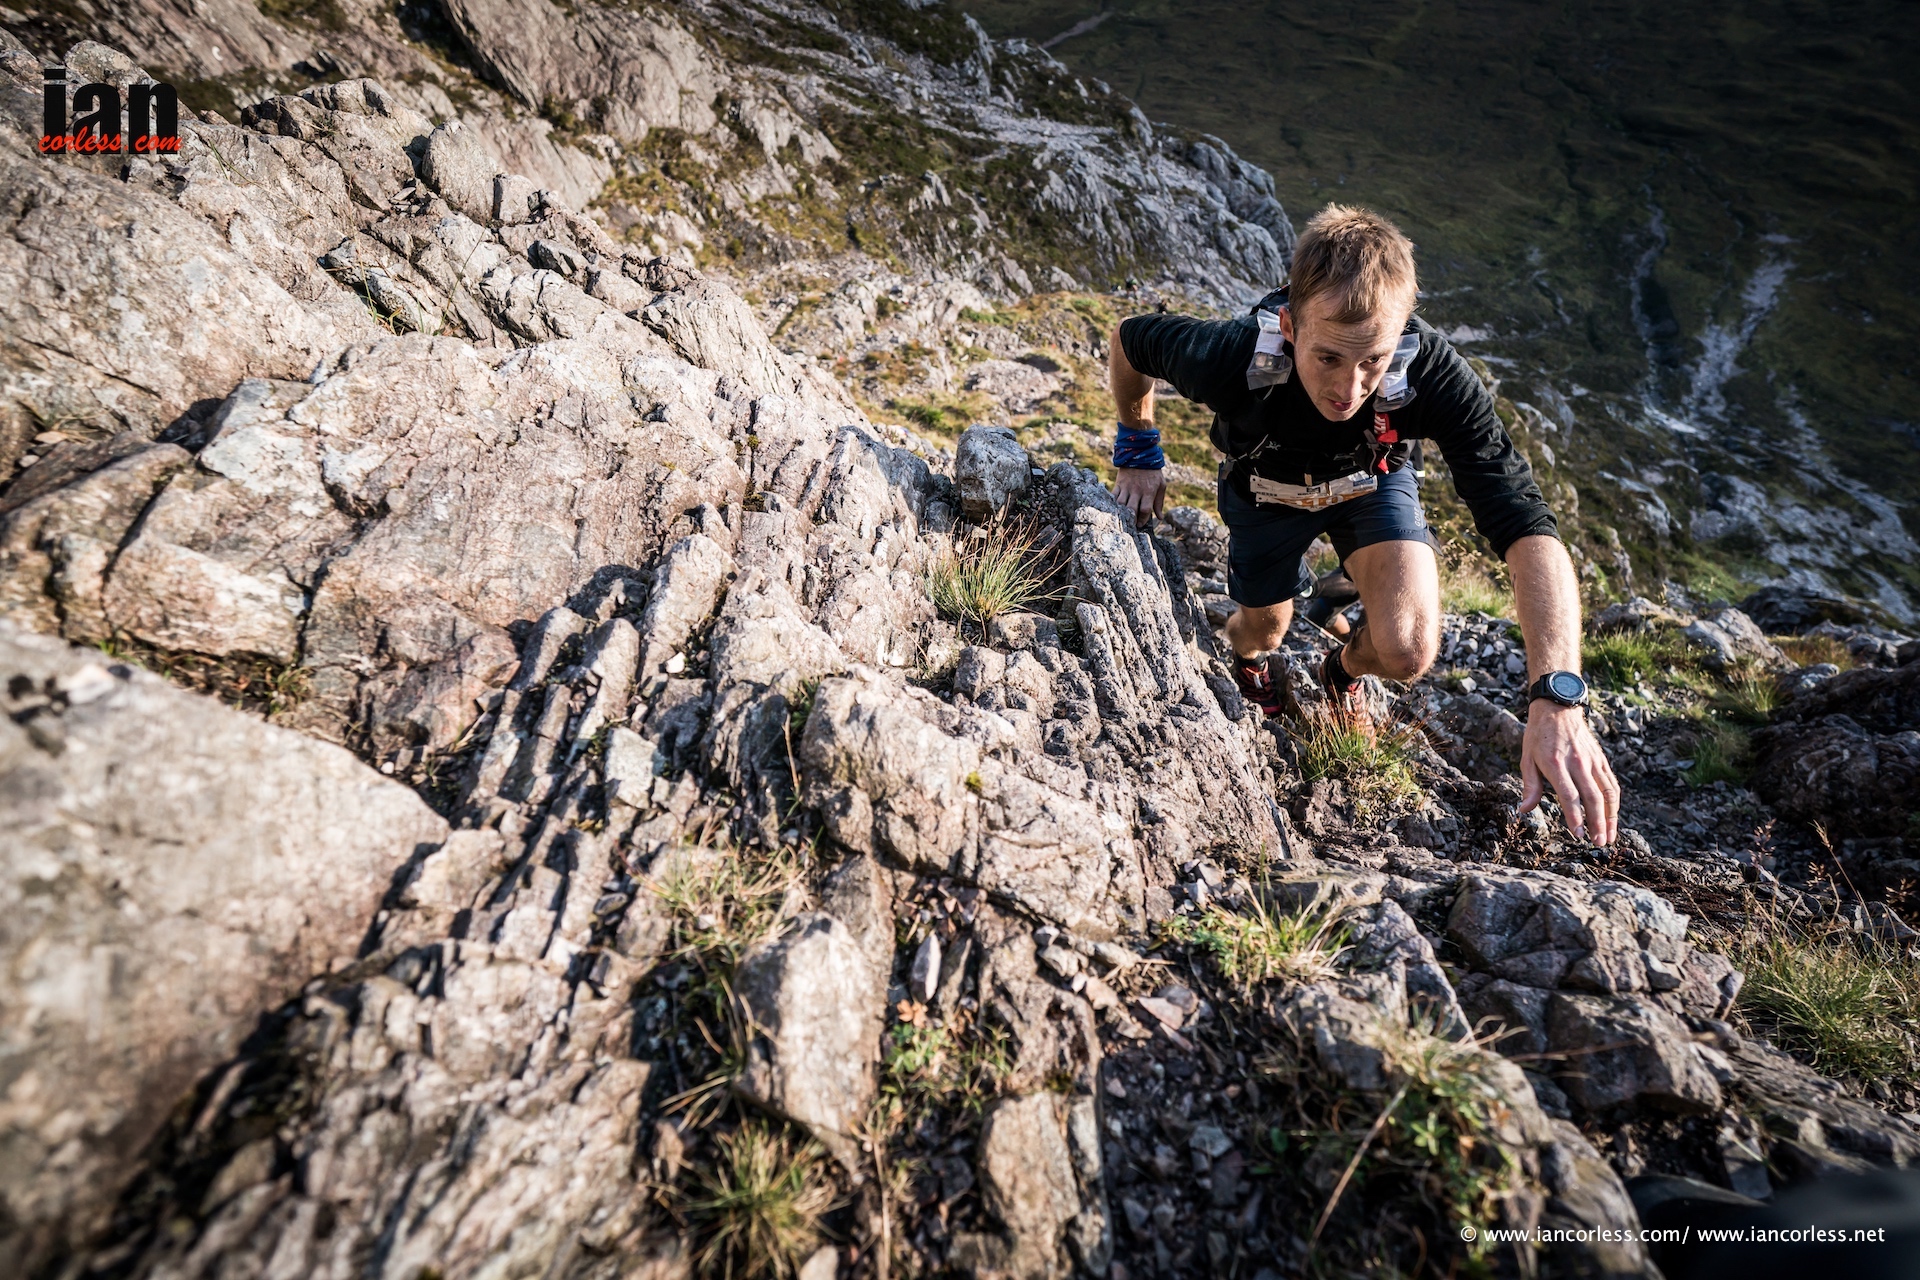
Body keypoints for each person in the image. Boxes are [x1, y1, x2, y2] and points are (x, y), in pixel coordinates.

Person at [1108, 204, 1619, 845]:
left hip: (1369, 484)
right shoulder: (1230, 356)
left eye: (1373, 361)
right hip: (1266, 492)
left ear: (1400, 335)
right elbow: (1130, 341)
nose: (1348, 389)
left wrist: (1556, 696)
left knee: (1408, 650)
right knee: (1264, 628)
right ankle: (1252, 660)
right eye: (1327, 357)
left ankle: (1339, 672)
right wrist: (1137, 448)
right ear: (1289, 325)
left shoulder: (1432, 372)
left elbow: (1525, 524)